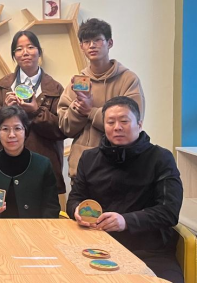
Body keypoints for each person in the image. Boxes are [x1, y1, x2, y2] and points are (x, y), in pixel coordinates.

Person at [67, 97, 183, 283]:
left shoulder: (160, 158)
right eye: (110, 122)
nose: (117, 127)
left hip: (148, 250)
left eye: (124, 121)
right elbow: (74, 199)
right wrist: (77, 210)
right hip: (96, 246)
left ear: (139, 124)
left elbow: (169, 212)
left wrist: (125, 221)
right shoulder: (89, 158)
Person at [58, 18, 145, 180]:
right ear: (82, 47)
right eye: (87, 42)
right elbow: (65, 127)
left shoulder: (128, 80)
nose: (92, 45)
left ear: (109, 43)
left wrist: (90, 112)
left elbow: (133, 124)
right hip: (83, 168)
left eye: (98, 40)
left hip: (121, 167)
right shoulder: (78, 82)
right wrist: (78, 110)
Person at [0, 31, 66, 195]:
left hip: (43, 164)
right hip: (7, 165)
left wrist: (36, 112)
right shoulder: (2, 86)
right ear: (14, 55)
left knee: (43, 210)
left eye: (30, 47)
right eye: (19, 49)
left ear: (39, 52)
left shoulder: (55, 88)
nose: (25, 52)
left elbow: (62, 129)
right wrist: (4, 112)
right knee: (7, 208)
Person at [0, 106, 60, 219]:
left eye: (17, 128)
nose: (11, 135)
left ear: (25, 132)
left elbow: (51, 208)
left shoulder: (43, 164)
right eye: (5, 129)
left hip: (34, 228)